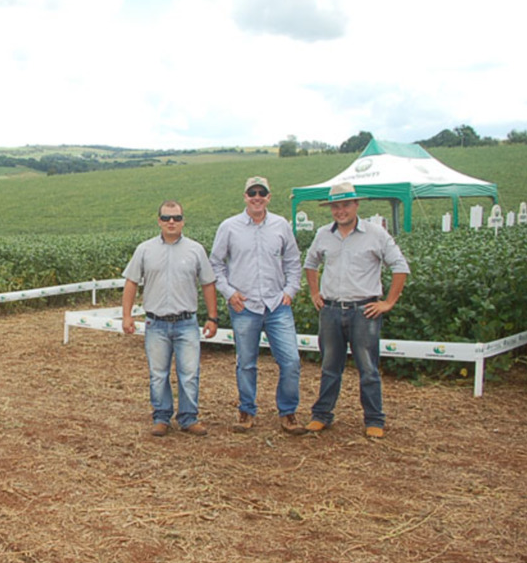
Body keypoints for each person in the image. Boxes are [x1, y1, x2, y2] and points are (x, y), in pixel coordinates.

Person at [303, 181, 410, 439]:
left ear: (356, 205)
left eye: (345, 205)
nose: (341, 211)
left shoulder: (376, 234)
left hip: (364, 311)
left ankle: (374, 419)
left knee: (368, 369)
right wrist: (315, 293)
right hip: (330, 310)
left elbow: (400, 267)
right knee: (330, 366)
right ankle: (322, 415)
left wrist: (388, 302)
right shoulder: (323, 234)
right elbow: (310, 262)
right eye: (335, 206)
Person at [209, 176, 307, 435]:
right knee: (246, 363)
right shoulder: (229, 227)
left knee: (291, 361)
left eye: (261, 192)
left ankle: (288, 413)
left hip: (277, 304)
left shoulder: (281, 226)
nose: (257, 197)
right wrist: (229, 293)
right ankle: (246, 411)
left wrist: (290, 290)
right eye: (252, 192)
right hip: (244, 306)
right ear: (244, 196)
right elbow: (215, 264)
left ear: (269, 197)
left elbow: (293, 261)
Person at [122, 200, 219, 437]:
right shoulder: (144, 250)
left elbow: (208, 284)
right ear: (159, 221)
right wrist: (127, 316)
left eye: (176, 218)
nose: (171, 222)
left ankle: (188, 418)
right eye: (166, 218)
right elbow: (131, 282)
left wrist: (213, 317)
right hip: (156, 323)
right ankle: (161, 417)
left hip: (187, 323)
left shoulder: (196, 250)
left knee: (189, 373)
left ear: (183, 220)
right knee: (158, 374)